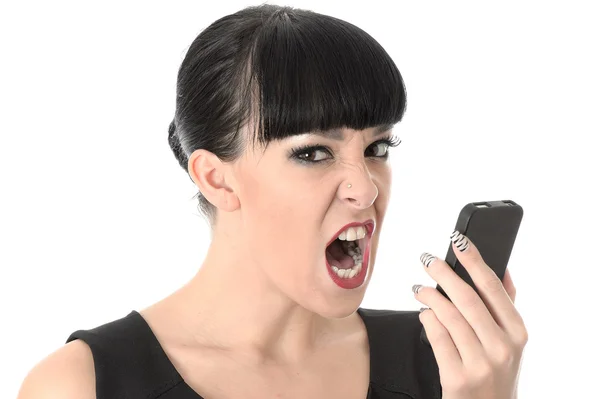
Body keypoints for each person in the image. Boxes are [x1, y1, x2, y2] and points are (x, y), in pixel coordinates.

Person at [17, 4, 527, 399]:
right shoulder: (82, 385)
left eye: (376, 148)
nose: (366, 188)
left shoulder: (445, 364)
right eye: (313, 153)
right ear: (217, 179)